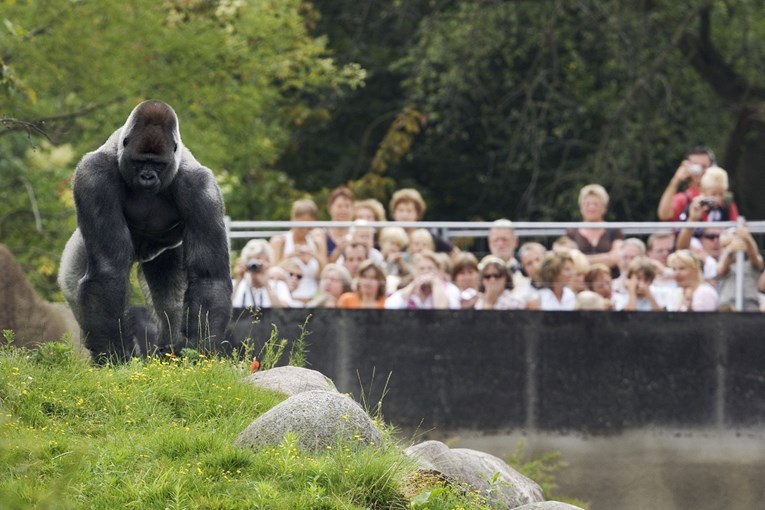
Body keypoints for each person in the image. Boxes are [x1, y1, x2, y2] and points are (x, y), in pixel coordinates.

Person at [270, 199, 326, 303]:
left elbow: (323, 274)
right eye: (302, 222)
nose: (305, 228)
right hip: (287, 300)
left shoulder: (317, 242)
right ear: (293, 219)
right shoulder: (280, 241)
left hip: (313, 300)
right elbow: (272, 273)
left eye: (309, 223)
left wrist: (314, 255)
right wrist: (290, 256)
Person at [565, 184, 623, 275]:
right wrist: (606, 258)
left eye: (595, 204)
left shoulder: (614, 230)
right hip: (580, 281)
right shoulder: (572, 231)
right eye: (587, 204)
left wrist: (582, 260)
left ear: (604, 208)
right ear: (581, 207)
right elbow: (568, 259)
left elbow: (617, 257)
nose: (591, 207)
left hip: (609, 280)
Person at [389, 188, 457, 255]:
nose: (404, 214)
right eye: (400, 210)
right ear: (394, 213)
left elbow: (454, 252)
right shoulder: (387, 235)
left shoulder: (428, 235)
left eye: (409, 211)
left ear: (418, 213)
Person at [657, 146, 716, 221]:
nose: (700, 171)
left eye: (704, 167)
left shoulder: (720, 197)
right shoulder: (684, 199)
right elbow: (664, 215)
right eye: (696, 167)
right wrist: (676, 180)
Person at [385, 250, 459, 309]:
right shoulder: (409, 290)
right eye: (421, 269)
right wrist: (413, 285)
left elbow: (441, 311)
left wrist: (435, 283)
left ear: (438, 271)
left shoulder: (450, 289)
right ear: (415, 272)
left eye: (430, 268)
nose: (426, 272)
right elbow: (389, 306)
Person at [232, 239, 294, 308]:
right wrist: (238, 281)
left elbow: (285, 312)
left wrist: (267, 286)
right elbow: (222, 309)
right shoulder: (235, 285)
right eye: (252, 261)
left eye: (261, 262)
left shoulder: (278, 285)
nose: (256, 266)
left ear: (269, 263)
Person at [716, 226, 764, 311]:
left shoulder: (751, 263)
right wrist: (730, 250)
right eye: (725, 246)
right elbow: (721, 270)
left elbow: (756, 258)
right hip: (727, 306)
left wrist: (747, 239)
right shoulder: (721, 263)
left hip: (750, 305)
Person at [325, 186, 356, 263]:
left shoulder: (358, 233)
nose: (343, 211)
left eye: (347, 206)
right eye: (339, 206)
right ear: (330, 208)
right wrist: (339, 249)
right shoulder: (322, 234)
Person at [378, 226, 412, 292]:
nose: (394, 248)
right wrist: (389, 263)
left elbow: (410, 277)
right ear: (382, 243)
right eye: (392, 243)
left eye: (398, 245)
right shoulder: (377, 257)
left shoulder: (401, 260)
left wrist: (402, 265)